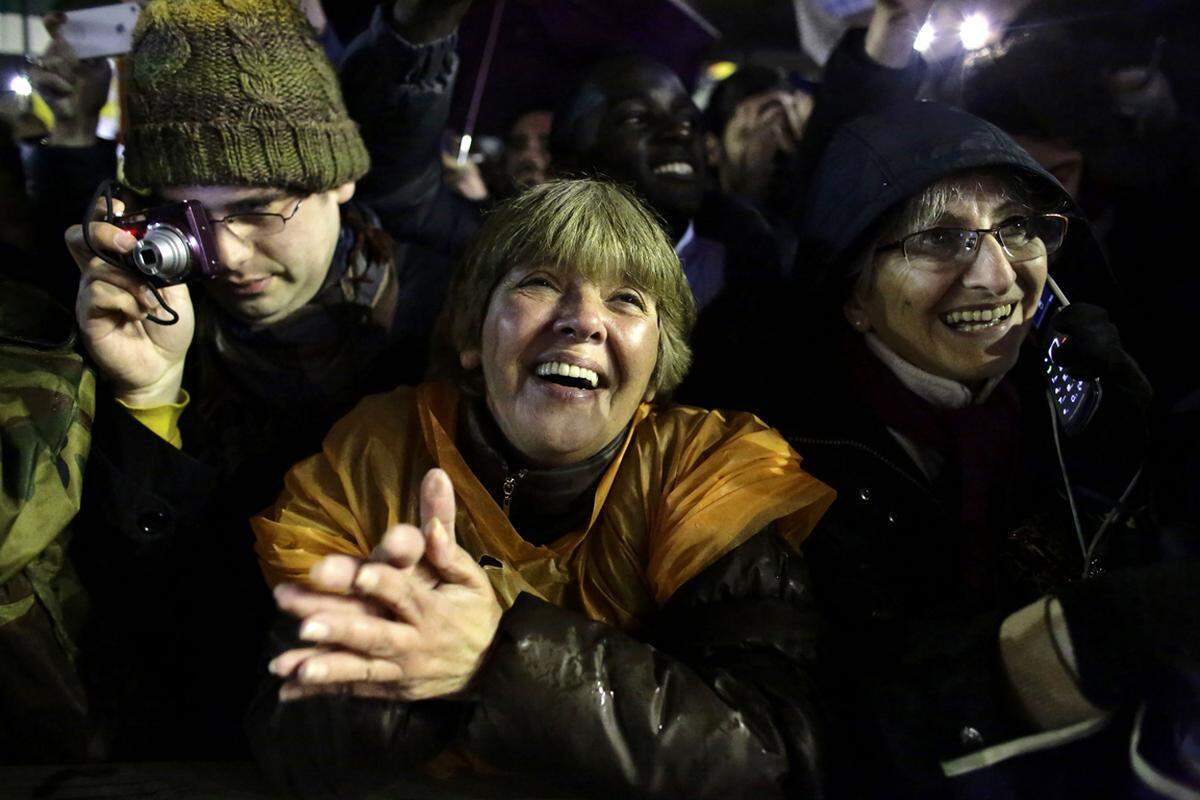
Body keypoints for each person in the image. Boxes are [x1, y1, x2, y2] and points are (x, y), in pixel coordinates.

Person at [247, 179, 837, 800]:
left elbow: (775, 758)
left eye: (627, 299)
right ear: (473, 336)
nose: (583, 321)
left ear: (659, 360)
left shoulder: (710, 476)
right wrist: (399, 656)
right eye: (540, 283)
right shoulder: (376, 456)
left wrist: (495, 658)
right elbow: (292, 741)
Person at [60, 0, 464, 759]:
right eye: (191, 219)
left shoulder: (451, 318)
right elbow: (127, 614)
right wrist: (147, 398)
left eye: (259, 209)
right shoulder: (144, 325)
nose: (229, 255)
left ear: (340, 181)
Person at [776, 100, 1197, 798]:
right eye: (940, 239)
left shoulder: (1089, 400)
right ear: (853, 297)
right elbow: (828, 729)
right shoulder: (776, 469)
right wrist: (1079, 640)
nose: (998, 278)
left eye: (1018, 229)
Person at [549, 56, 784, 313]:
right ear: (569, 163)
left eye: (687, 120)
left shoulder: (758, 269)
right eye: (636, 118)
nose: (678, 132)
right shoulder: (526, 270)